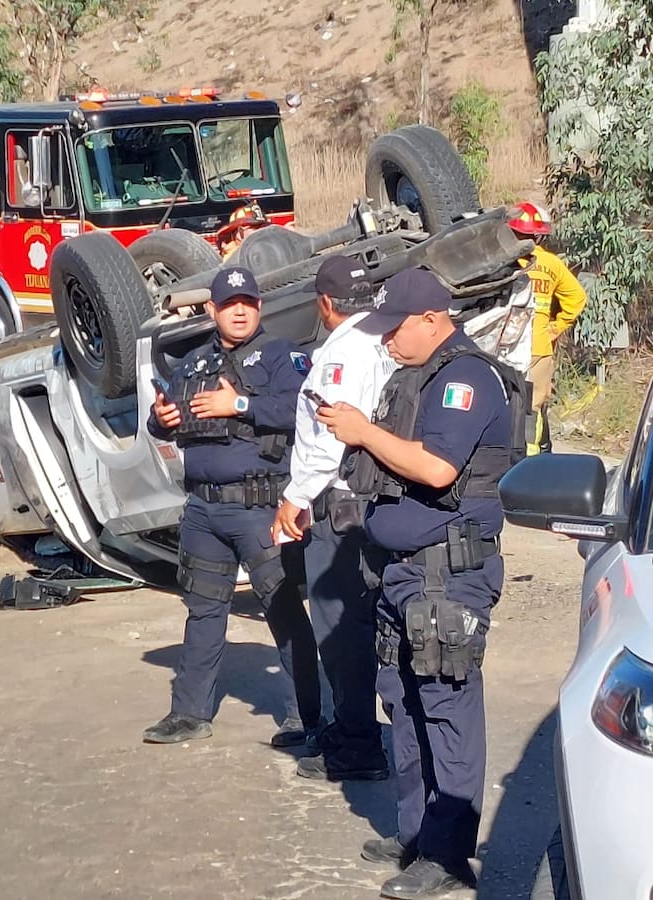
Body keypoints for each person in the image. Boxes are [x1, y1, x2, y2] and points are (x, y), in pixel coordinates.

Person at [318, 268, 524, 898]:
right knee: (403, 700)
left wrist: (362, 431)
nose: (384, 341)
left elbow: (437, 469)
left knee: (444, 704)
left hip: (446, 571)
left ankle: (449, 852)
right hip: (403, 570)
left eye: (394, 328)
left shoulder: (466, 378)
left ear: (434, 319)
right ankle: (417, 836)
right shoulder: (415, 375)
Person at [143, 265, 321, 746]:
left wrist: (238, 405)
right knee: (203, 611)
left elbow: (301, 409)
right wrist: (161, 420)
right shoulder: (193, 363)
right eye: (229, 304)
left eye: (247, 302)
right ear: (212, 310)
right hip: (203, 510)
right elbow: (161, 425)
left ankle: (305, 716)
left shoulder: (283, 355)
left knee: (283, 611)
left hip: (260, 507)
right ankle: (189, 714)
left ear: (259, 307)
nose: (239, 311)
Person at [270, 256, 398, 782]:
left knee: (341, 631)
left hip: (339, 507)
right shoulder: (385, 339)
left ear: (325, 304)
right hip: (377, 503)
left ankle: (357, 744)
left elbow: (328, 438)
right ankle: (360, 729)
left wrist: (294, 499)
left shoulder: (340, 354)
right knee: (369, 626)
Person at [508, 201, 586, 455]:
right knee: (534, 404)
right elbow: (577, 298)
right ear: (539, 235)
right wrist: (555, 327)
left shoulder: (503, 262)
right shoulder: (551, 264)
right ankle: (530, 459)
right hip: (538, 347)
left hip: (505, 344)